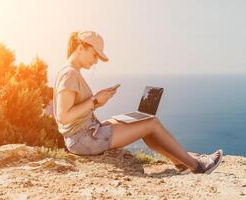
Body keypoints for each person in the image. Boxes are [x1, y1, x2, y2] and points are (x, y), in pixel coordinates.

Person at [53, 30, 223, 174]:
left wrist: (98, 101)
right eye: (94, 54)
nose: (96, 60)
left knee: (141, 120)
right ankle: (197, 166)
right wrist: (94, 100)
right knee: (152, 123)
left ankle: (179, 162)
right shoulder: (70, 74)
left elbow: (74, 109)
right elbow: (63, 116)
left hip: (86, 133)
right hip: (83, 140)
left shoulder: (70, 72)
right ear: (81, 48)